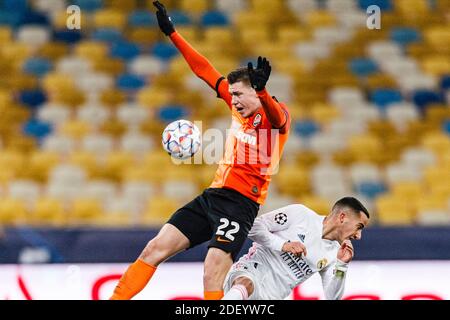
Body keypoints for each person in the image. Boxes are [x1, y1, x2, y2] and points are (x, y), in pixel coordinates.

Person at [110, 1, 291, 300]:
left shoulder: (275, 115)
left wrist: (261, 93)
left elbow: (277, 119)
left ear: (257, 92)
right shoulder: (239, 108)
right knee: (155, 248)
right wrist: (173, 33)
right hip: (213, 196)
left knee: (211, 269)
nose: (233, 101)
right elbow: (204, 70)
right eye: (230, 95)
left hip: (241, 204)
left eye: (239, 95)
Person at [222, 197, 370, 300]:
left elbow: (332, 297)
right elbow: (253, 228)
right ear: (342, 217)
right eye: (359, 227)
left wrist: (342, 266)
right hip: (251, 271)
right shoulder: (301, 214)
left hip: (273, 295)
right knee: (245, 284)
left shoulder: (335, 254)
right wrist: (284, 245)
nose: (359, 236)